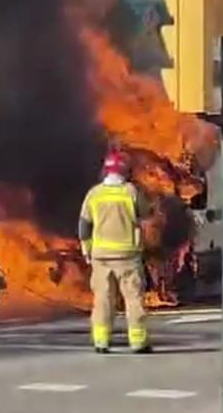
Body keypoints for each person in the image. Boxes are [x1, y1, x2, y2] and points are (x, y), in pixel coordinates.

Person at [79, 150, 151, 354]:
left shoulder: (94, 194)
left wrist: (86, 248)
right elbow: (145, 213)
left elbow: (84, 225)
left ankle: (101, 341)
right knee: (134, 300)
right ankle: (138, 342)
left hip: (101, 257)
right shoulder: (131, 192)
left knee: (102, 300)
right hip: (128, 256)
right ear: (125, 170)